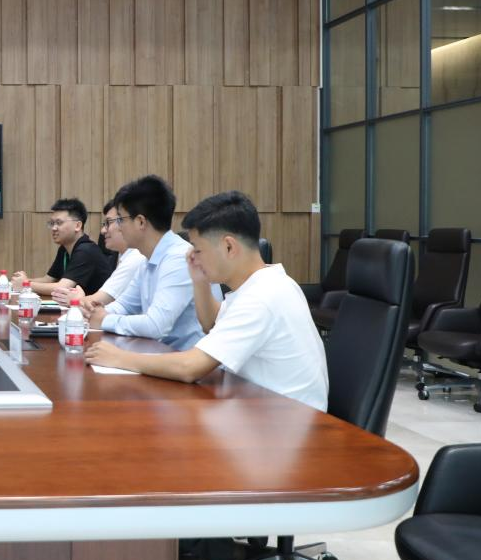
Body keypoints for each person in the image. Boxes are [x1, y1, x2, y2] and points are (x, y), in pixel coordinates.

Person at [85, 190, 328, 411]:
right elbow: (210, 324)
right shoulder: (261, 283)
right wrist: (199, 281)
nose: (193, 256)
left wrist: (120, 358)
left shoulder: (262, 296)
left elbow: (190, 368)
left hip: (286, 420)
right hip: (258, 405)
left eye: (198, 250)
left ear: (229, 247)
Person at [80, 175, 212, 351]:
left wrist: (104, 319)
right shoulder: (147, 258)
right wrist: (95, 312)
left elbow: (156, 326)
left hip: (185, 360)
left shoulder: (179, 258)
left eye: (121, 220)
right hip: (157, 354)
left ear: (141, 222)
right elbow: (125, 305)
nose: (118, 227)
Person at [53, 199, 145, 307]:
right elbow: (118, 307)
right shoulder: (122, 256)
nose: (103, 231)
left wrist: (78, 300)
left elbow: (98, 302)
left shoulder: (135, 258)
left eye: (108, 223)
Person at [12, 198, 111, 297]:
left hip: (98, 305)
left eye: (59, 223)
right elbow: (49, 279)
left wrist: (25, 284)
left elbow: (62, 288)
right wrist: (24, 280)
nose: (54, 228)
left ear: (77, 225)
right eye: (52, 223)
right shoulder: (64, 248)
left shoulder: (86, 250)